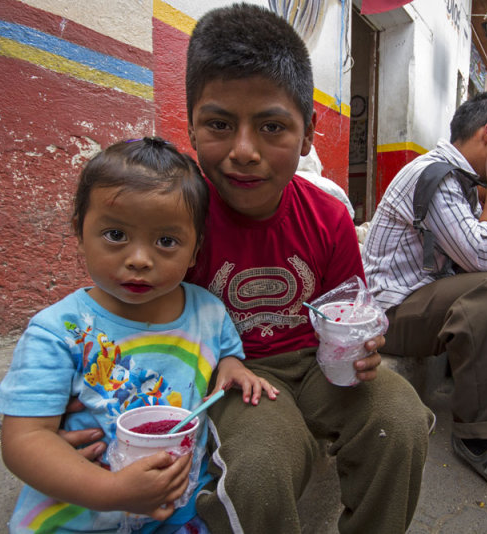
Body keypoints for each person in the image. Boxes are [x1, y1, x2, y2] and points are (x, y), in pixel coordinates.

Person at [182, 5, 435, 534]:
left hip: (323, 365)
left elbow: (354, 308)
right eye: (219, 124)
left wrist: (367, 347)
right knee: (258, 471)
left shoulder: (329, 214)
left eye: (272, 126)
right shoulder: (183, 220)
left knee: (400, 418)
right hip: (241, 377)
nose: (244, 151)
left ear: (308, 134)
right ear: (191, 127)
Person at [0, 137, 279, 533]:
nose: (140, 259)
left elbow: (226, 353)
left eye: (166, 241)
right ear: (79, 231)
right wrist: (112, 490)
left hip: (180, 514)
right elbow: (23, 442)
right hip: (78, 517)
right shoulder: (58, 332)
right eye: (115, 235)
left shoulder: (207, 312)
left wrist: (231, 366)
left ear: (196, 251)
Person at [362, 92, 487, 501]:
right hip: (394, 312)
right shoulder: (435, 175)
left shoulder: (461, 179)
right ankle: (479, 439)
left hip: (425, 298)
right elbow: (484, 258)